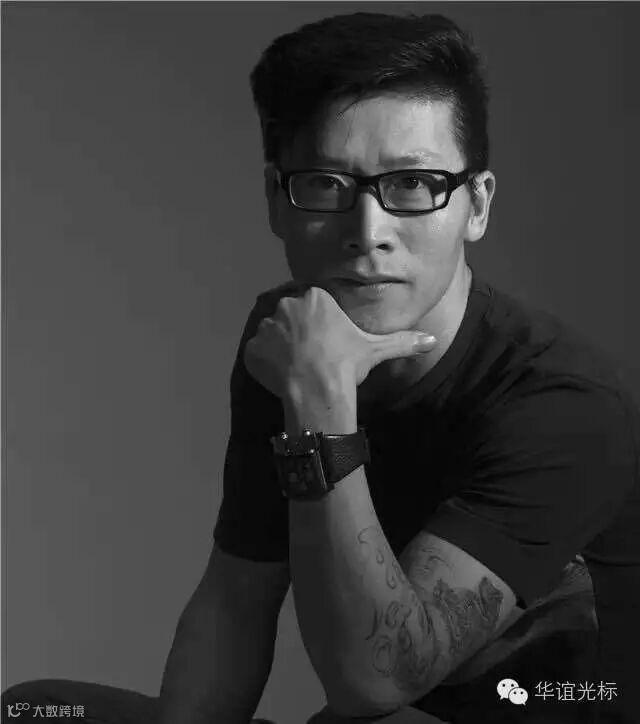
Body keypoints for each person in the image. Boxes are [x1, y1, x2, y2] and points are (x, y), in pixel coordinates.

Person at [3, 11, 639, 724]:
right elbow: (237, 596)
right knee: (35, 712)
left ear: (477, 205)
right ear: (276, 200)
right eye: (327, 184)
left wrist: (322, 405)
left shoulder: (563, 401)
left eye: (414, 182)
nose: (368, 233)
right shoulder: (290, 337)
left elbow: (377, 680)